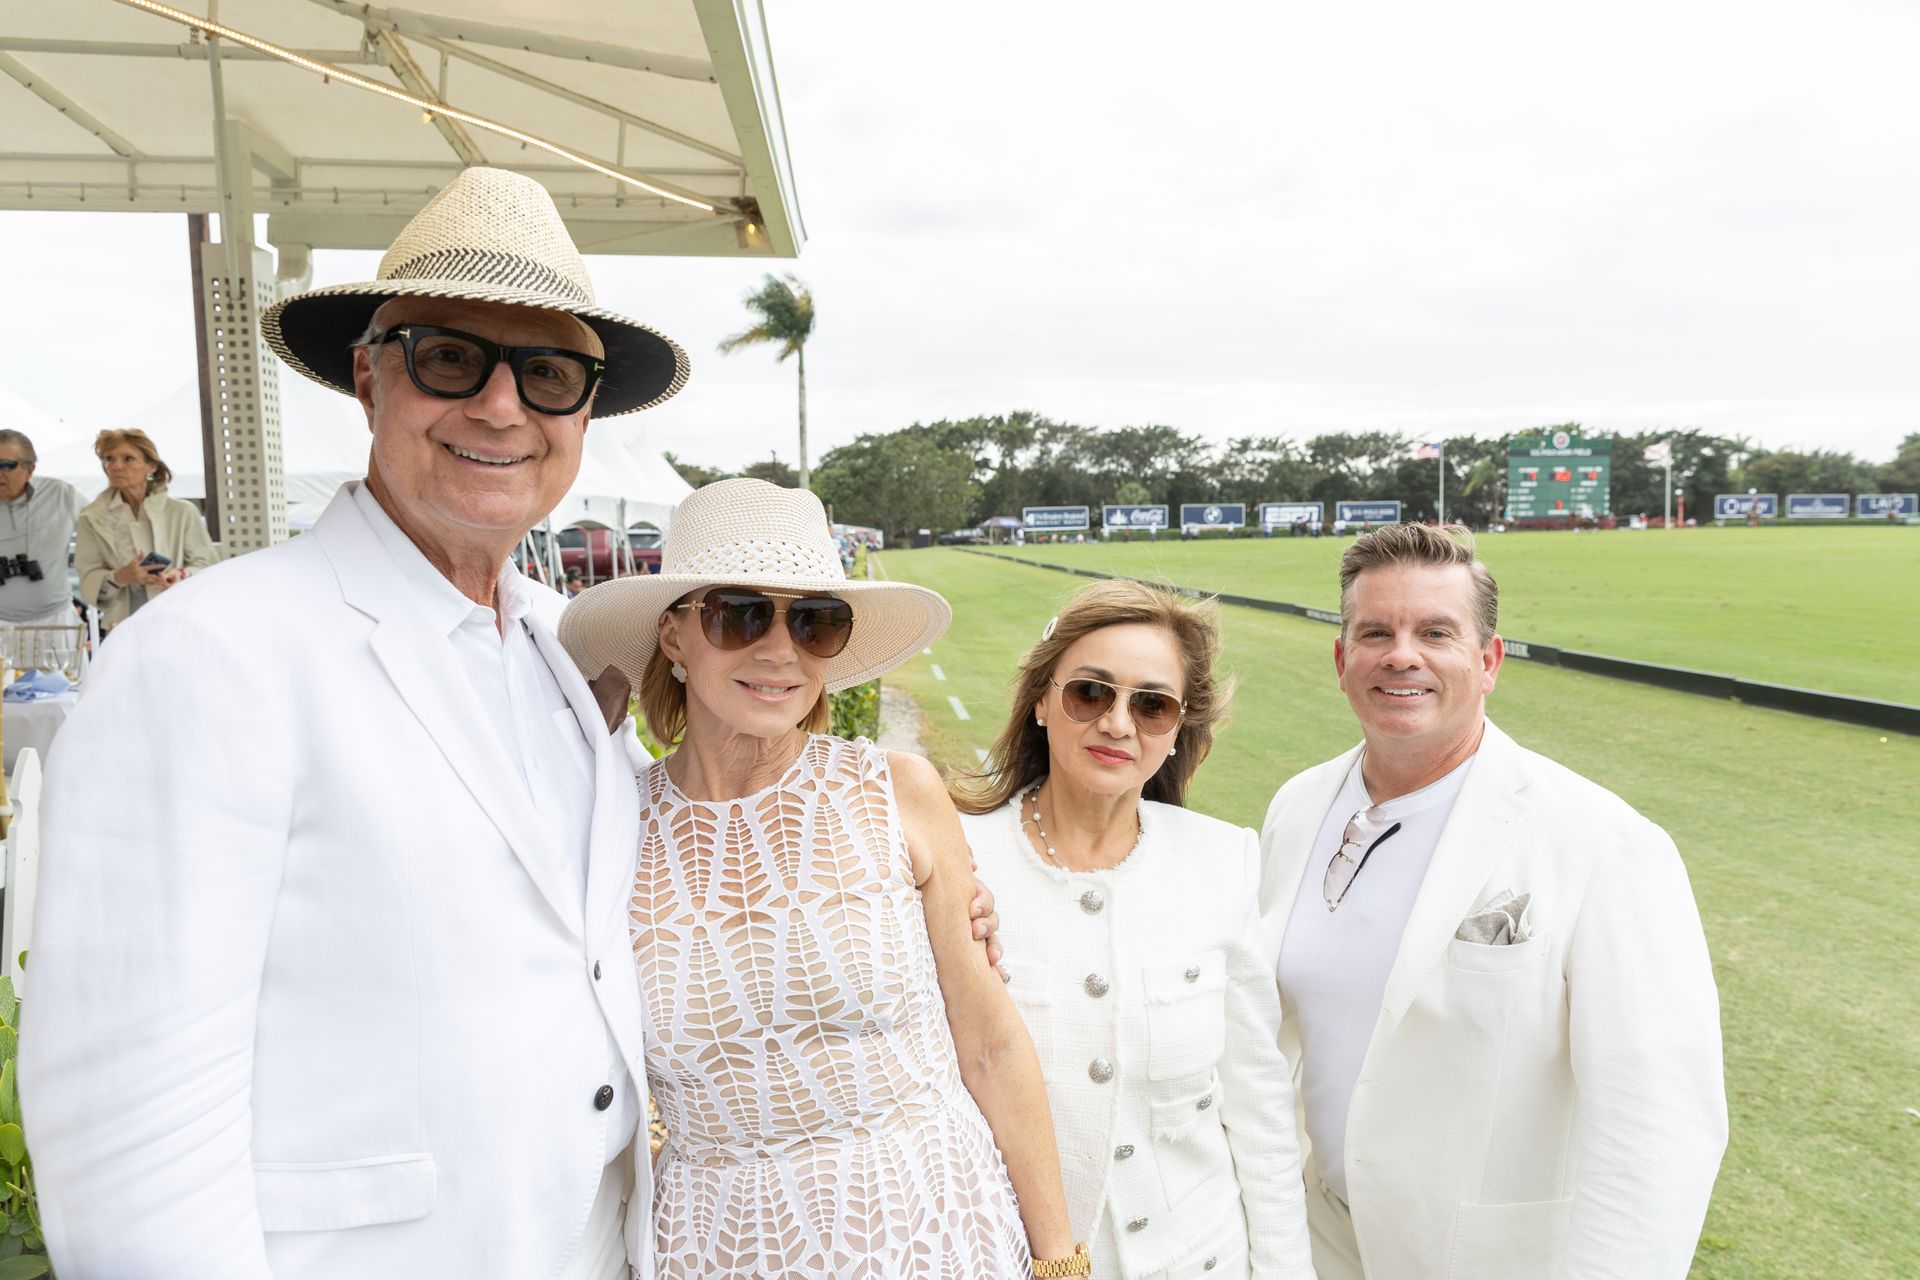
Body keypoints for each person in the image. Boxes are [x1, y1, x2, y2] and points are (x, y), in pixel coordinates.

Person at [23, 167, 692, 1278]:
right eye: (448, 357)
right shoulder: (209, 652)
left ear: (584, 411)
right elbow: (131, 1126)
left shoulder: (565, 649)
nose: (500, 405)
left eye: (549, 372)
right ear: (367, 377)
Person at [557, 477, 1085, 1278]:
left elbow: (992, 1045)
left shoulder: (896, 790)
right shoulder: (609, 833)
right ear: (673, 635)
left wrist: (1059, 1262)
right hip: (721, 1248)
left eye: (814, 621)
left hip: (934, 1230)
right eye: (739, 614)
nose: (779, 651)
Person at [1256, 523, 1727, 1280]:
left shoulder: (1606, 843)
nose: (1401, 654)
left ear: (1489, 661)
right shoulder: (1298, 805)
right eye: (1375, 631)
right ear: (1343, 659)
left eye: (1435, 632)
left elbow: (1660, 1129)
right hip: (1316, 1244)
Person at [955, 578, 1316, 1280]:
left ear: (1178, 731)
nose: (1118, 724)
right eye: (1089, 694)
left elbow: (1258, 1106)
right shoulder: (959, 859)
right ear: (1039, 701)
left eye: (1152, 705)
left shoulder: (1223, 859)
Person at [74, 427, 217, 631]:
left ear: (151, 466)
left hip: (179, 620)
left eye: (128, 459)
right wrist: (120, 577)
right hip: (122, 625)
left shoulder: (182, 512)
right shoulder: (91, 517)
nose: (116, 466)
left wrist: (180, 575)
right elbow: (88, 577)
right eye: (109, 459)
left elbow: (207, 566)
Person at [0, 428, 83, 629]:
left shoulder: (60, 494)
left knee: (63, 663)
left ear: (30, 469)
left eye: (6, 465)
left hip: (56, 620)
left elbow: (105, 529)